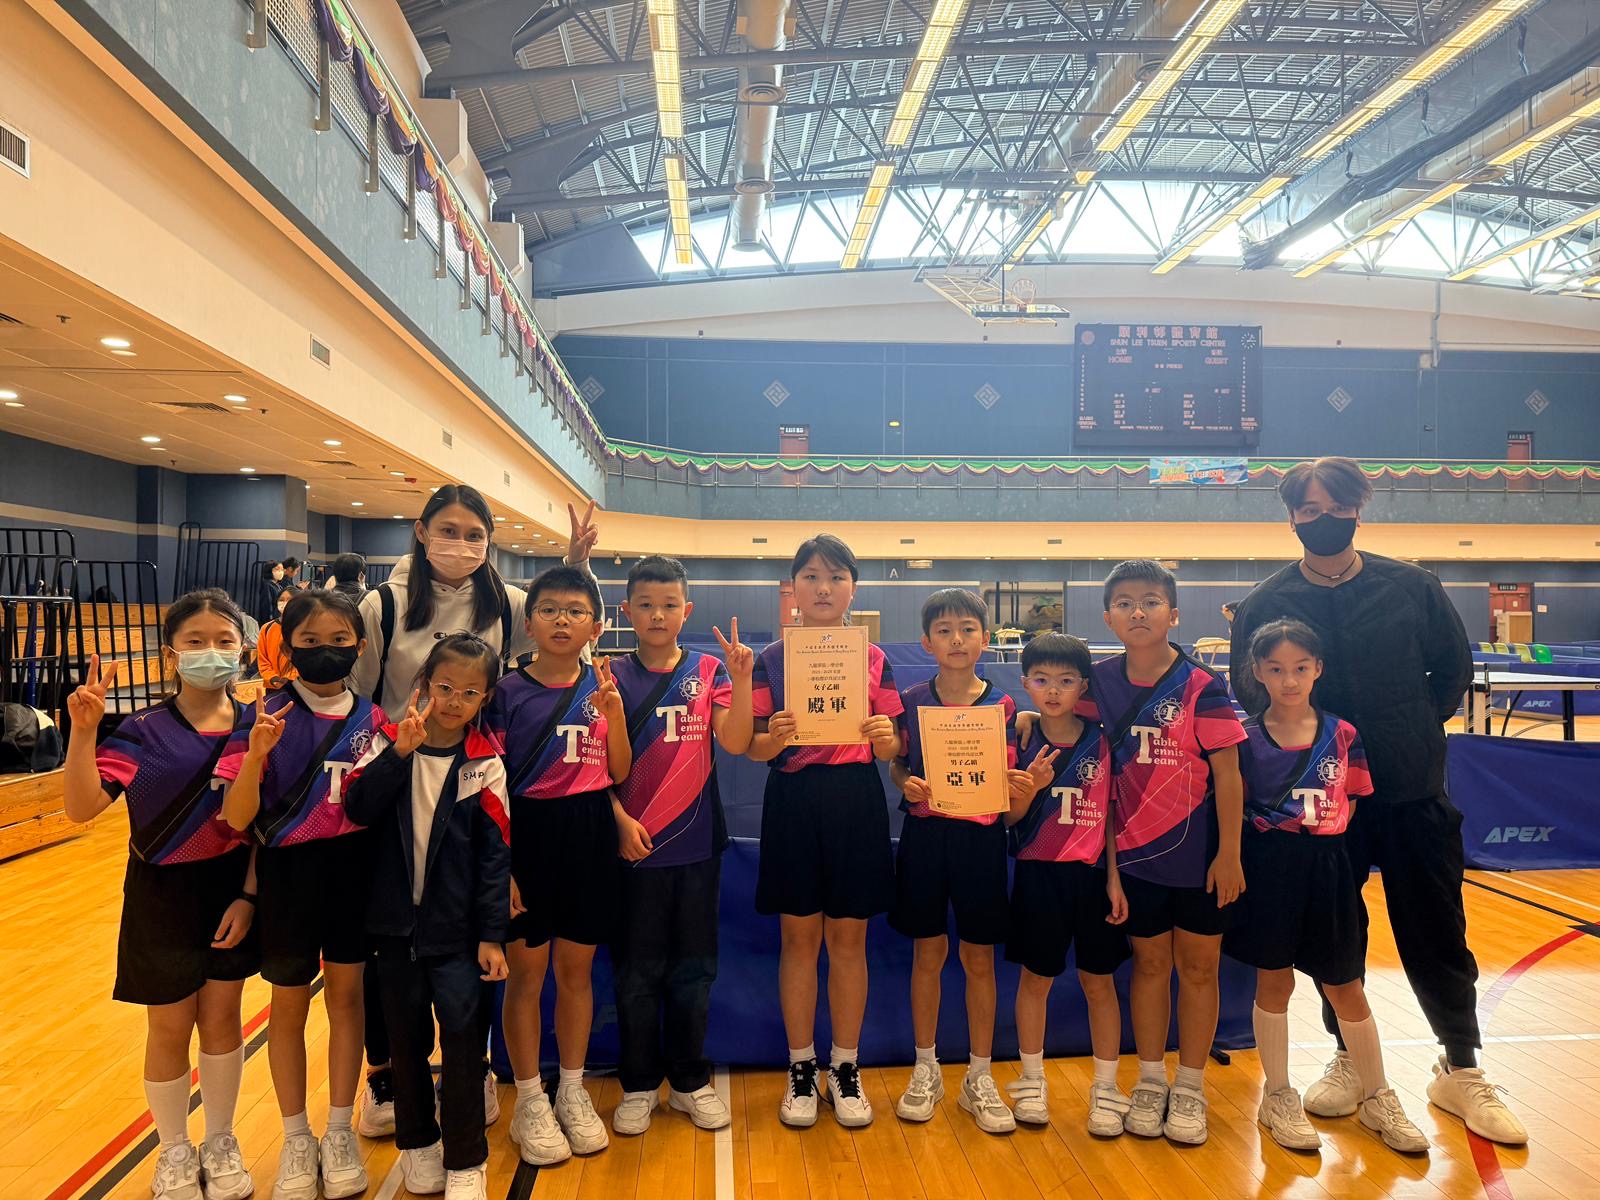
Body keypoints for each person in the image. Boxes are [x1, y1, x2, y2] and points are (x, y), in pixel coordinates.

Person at [1229, 456, 1524, 1144]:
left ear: (1359, 509)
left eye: (1336, 507)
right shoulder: (1267, 601)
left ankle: (1461, 1065)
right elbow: (1249, 690)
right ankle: (1346, 1058)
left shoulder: (1413, 586)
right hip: (1321, 809)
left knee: (1437, 926)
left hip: (1411, 790)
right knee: (1337, 934)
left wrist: (1405, 731)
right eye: (1309, 509)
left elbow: (1451, 673)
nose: (1323, 519)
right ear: (1292, 517)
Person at [348, 492, 597, 1133]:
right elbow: (359, 694)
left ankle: (473, 1068)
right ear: (421, 531)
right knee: (391, 938)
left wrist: (575, 561)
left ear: (489, 541)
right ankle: (385, 1075)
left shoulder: (505, 602)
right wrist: (392, 757)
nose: (460, 544)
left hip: (469, 779)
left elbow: (563, 621)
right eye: (448, 530)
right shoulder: (383, 605)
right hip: (399, 775)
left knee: (464, 939)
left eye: (473, 534)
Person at [1024, 561, 1247, 1145]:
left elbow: (1229, 775)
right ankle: (1150, 1080)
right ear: (1108, 618)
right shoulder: (1097, 683)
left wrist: (1229, 854)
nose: (1138, 611)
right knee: (1149, 967)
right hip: (1134, 858)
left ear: (1173, 614)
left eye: (1150, 601)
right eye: (1124, 603)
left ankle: (1190, 1086)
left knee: (1198, 968)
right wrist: (1026, 715)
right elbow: (1059, 715)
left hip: (1200, 855)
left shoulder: (1203, 686)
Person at [61, 590, 259, 1200]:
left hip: (231, 891)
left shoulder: (256, 726)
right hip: (160, 892)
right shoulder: (141, 730)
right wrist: (82, 734)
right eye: (195, 641)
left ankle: (220, 1140)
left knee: (222, 1017)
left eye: (224, 641)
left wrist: (249, 896)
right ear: (171, 653)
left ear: (243, 651)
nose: (210, 651)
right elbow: (81, 807)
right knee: (170, 1025)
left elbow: (262, 826)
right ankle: (173, 1149)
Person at [1224, 619, 1428, 1154]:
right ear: (1257, 672)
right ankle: (1277, 1095)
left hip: (1330, 868)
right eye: (1276, 669)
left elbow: (1352, 800)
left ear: (1318, 668)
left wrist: (1324, 845)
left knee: (1346, 986)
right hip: (1269, 868)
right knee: (1275, 983)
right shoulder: (1244, 738)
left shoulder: (1344, 734)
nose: (1289, 680)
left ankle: (1378, 1095)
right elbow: (1233, 805)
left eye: (1300, 668)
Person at [217, 590, 387, 1199]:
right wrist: (254, 756)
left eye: (338, 640)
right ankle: (296, 1136)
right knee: (287, 1008)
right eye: (309, 642)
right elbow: (238, 819)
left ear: (359, 646)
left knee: (347, 1000)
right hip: (287, 878)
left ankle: (339, 1129)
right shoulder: (263, 717)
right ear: (286, 649)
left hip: (352, 875)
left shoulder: (376, 721)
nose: (325, 651)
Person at [343, 636, 511, 1200]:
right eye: (445, 687)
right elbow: (358, 807)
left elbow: (495, 859)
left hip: (459, 936)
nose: (455, 701)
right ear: (423, 685)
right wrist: (398, 755)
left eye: (470, 692)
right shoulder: (386, 744)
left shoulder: (485, 764)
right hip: (394, 932)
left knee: (463, 1043)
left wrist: (492, 935)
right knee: (405, 1041)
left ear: (486, 697)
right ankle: (417, 1144)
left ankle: (466, 1160)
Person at [747, 535, 903, 1129]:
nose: (823, 587)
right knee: (798, 940)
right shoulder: (771, 659)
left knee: (848, 940)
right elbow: (755, 748)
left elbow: (891, 746)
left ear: (853, 589)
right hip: (793, 799)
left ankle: (845, 1065)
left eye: (836, 577)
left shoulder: (874, 658)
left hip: (855, 798)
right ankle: (801, 1067)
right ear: (793, 588)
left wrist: (885, 735)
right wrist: (776, 737)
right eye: (811, 576)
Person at [488, 566, 631, 1164]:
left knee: (576, 972)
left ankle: (571, 1089)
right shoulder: (505, 692)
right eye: (549, 610)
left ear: (595, 626)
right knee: (527, 976)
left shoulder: (604, 685)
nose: (562, 621)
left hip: (589, 834)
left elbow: (618, 771)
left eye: (576, 611)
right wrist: (502, 867)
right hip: (527, 836)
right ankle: (528, 1099)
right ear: (530, 622)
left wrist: (614, 713)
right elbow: (489, 785)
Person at [607, 555, 755, 1136]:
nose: (657, 614)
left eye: (669, 604)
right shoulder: (609, 675)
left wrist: (742, 680)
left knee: (694, 972)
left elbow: (736, 742)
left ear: (686, 610)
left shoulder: (710, 669)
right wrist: (618, 820)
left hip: (696, 845)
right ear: (627, 611)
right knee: (636, 974)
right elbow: (594, 767)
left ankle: (690, 1080)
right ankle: (640, 1084)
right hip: (634, 850)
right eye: (645, 604)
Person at [888, 588, 1021, 1134]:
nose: (957, 639)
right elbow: (897, 766)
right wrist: (907, 782)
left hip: (980, 841)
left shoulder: (1005, 706)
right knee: (927, 953)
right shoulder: (912, 700)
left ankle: (979, 1076)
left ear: (984, 639)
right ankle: (926, 1068)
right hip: (926, 837)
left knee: (979, 959)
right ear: (927, 642)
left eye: (967, 629)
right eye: (944, 631)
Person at [1003, 633, 1131, 1134]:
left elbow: (1113, 816)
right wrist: (1031, 787)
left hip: (1093, 875)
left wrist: (1115, 879)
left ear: (1083, 685)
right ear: (1025, 683)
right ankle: (1031, 1080)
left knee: (1100, 983)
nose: (1053, 690)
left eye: (1065, 680)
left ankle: (1106, 1087)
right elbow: (1008, 819)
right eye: (1041, 680)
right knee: (1035, 981)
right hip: (1038, 874)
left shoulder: (1103, 739)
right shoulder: (1019, 739)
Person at [256, 585, 297, 688]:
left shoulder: (305, 629)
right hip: (272, 686)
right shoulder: (266, 628)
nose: (285, 603)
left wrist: (290, 679)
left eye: (289, 600)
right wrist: (273, 678)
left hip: (297, 687)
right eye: (281, 600)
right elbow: (262, 660)